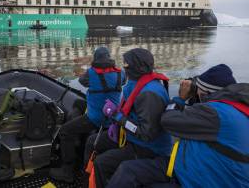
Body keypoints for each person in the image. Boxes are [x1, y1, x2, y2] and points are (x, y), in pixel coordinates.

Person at [109, 64, 248, 188]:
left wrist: (180, 99)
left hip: (202, 179)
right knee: (129, 170)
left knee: (128, 171)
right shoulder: (234, 109)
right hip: (199, 167)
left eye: (197, 89)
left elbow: (167, 120)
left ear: (206, 93)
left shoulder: (215, 113)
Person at [86, 48, 171, 188]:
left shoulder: (149, 94)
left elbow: (146, 134)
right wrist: (116, 122)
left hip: (147, 148)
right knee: (92, 141)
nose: (124, 67)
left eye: (126, 64)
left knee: (101, 163)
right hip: (129, 136)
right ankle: (88, 179)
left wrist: (117, 117)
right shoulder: (135, 82)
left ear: (136, 68)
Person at [49, 46, 125, 183]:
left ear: (96, 59)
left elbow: (82, 82)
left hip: (96, 118)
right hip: (112, 117)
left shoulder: (91, 73)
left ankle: (67, 171)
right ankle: (78, 141)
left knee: (65, 131)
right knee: (79, 102)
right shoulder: (121, 74)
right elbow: (123, 82)